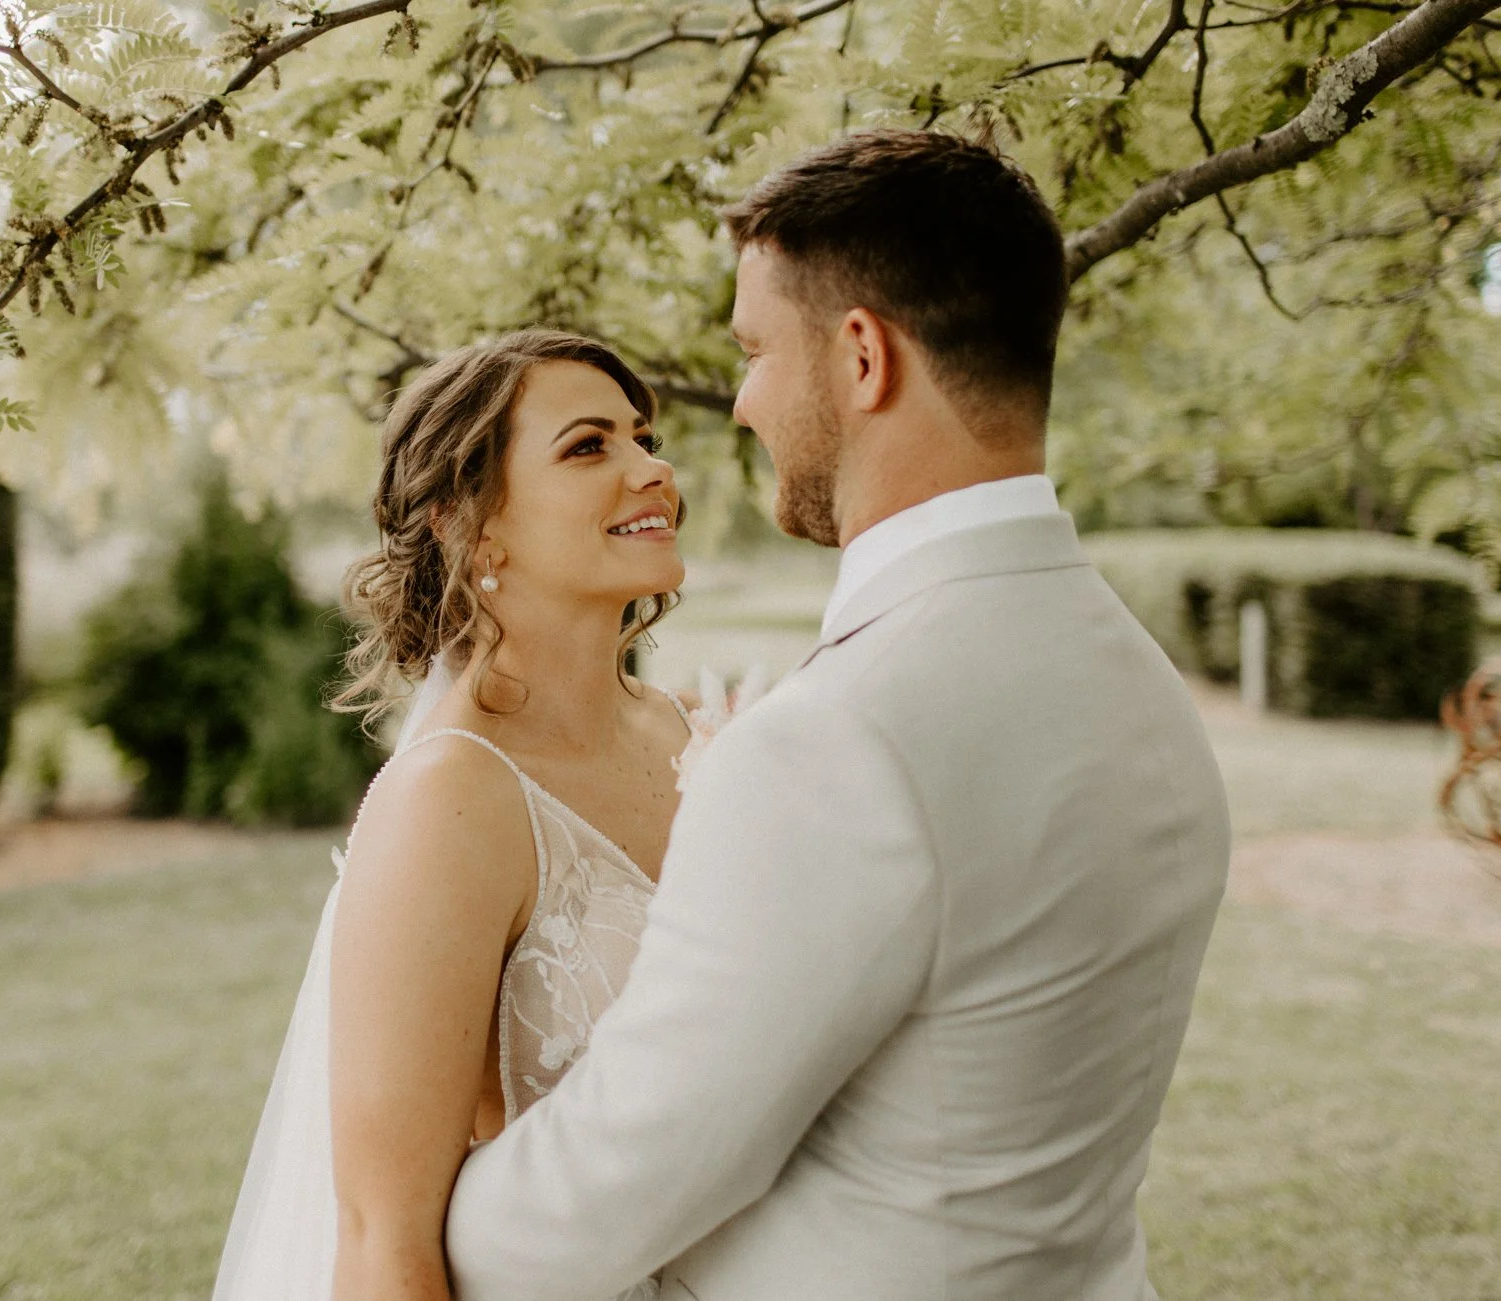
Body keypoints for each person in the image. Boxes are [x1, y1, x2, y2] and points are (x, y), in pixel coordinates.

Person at [443, 130, 1232, 1300]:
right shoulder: (1140, 682)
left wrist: (395, 1215)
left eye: (755, 352)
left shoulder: (837, 740)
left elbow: (602, 1194)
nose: (743, 404)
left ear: (862, 357)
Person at [212, 329, 693, 1301]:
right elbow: (382, 1236)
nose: (653, 470)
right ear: (471, 524)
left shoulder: (686, 730)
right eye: (588, 446)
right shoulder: (451, 800)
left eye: (643, 439)